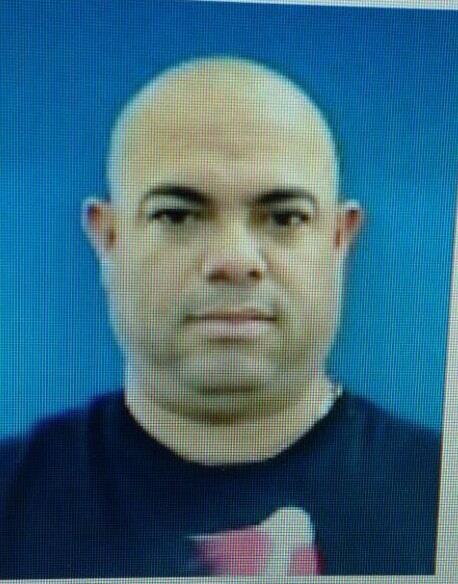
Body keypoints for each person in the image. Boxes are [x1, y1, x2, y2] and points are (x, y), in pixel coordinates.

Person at [0, 57, 441, 577]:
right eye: (177, 215)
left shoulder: (442, 500)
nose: (234, 260)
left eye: (284, 217)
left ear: (339, 240)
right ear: (108, 238)